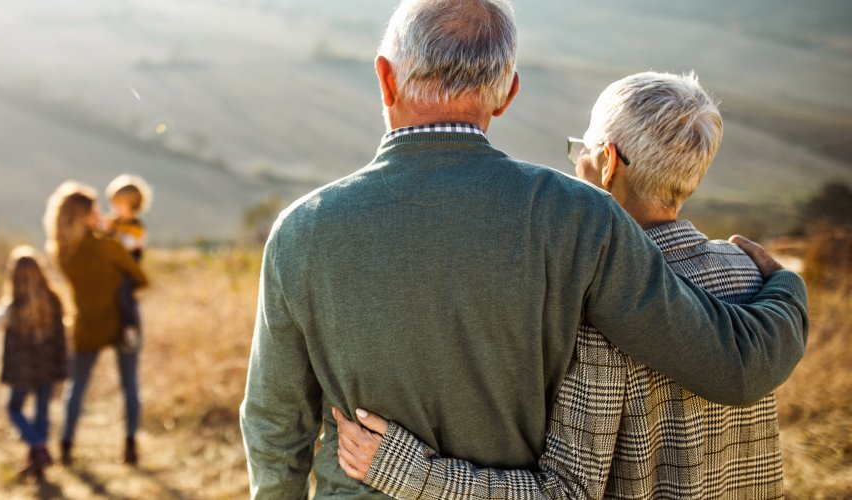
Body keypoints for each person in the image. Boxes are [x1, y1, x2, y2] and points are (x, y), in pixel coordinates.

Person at [238, 1, 808, 498]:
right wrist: (784, 286)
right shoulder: (580, 217)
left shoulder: (301, 230)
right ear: (507, 93)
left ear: (385, 79)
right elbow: (729, 365)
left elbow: (275, 424)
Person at [334, 72, 790, 499]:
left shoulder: (594, 301)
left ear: (607, 163)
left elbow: (566, 491)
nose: (576, 166)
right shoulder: (750, 273)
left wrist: (407, 471)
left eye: (582, 152)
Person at [44, 181, 150, 466]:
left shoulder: (62, 253)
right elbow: (140, 277)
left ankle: (66, 445)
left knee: (76, 386)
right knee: (129, 384)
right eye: (95, 209)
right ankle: (130, 445)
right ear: (86, 214)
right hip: (123, 320)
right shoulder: (108, 246)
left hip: (86, 323)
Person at [0, 246, 69, 478]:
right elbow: (62, 338)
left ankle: (38, 448)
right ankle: (38, 452)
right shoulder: (54, 301)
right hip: (47, 368)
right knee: (42, 412)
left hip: (21, 371)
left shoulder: (13, 306)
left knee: (14, 408)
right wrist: (62, 366)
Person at [103, 174, 154, 352]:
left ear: (133, 206)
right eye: (113, 204)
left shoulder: (136, 227)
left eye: (119, 205)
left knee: (125, 295)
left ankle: (130, 328)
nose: (115, 208)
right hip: (113, 270)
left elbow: (129, 245)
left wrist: (112, 235)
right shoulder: (112, 222)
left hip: (129, 270)